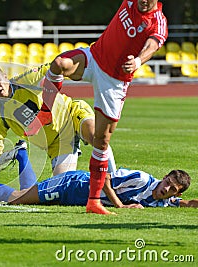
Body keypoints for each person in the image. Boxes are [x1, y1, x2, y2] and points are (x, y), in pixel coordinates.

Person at [24, 0, 168, 214]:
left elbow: (153, 45)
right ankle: (46, 113)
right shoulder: (130, 3)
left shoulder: (157, 21)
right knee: (59, 64)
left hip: (114, 81)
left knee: (101, 142)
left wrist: (138, 61)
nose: (143, 1)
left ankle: (94, 201)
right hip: (94, 57)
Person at [0, 64, 117, 185]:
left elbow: (55, 68)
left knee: (96, 138)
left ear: (5, 76)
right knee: (62, 187)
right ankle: (100, 187)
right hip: (57, 144)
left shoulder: (26, 80)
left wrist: (93, 68)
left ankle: (116, 181)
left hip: (71, 114)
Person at [0, 144, 197, 209]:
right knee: (14, 199)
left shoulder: (161, 201)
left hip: (75, 197)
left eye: (172, 189)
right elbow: (106, 179)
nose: (166, 190)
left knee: (28, 193)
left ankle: (22, 155)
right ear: (163, 177)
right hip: (73, 184)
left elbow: (186, 204)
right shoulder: (141, 179)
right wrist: (122, 206)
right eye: (167, 183)